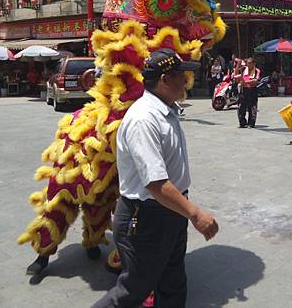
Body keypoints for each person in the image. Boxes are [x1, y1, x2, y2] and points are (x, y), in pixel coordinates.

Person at [93, 48, 219, 308]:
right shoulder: (144, 119)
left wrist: (184, 212)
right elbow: (156, 184)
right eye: (180, 75)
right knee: (131, 292)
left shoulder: (166, 109)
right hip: (146, 217)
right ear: (164, 79)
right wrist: (196, 214)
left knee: (172, 284)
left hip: (171, 212)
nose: (185, 81)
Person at [238, 57, 260, 128]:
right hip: (244, 90)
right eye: (248, 63)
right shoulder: (243, 69)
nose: (248, 65)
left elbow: (256, 80)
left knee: (252, 107)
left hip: (252, 90)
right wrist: (238, 65)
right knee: (241, 107)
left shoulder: (257, 70)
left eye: (250, 63)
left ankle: (251, 123)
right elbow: (236, 74)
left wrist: (246, 82)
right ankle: (242, 122)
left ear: (254, 64)